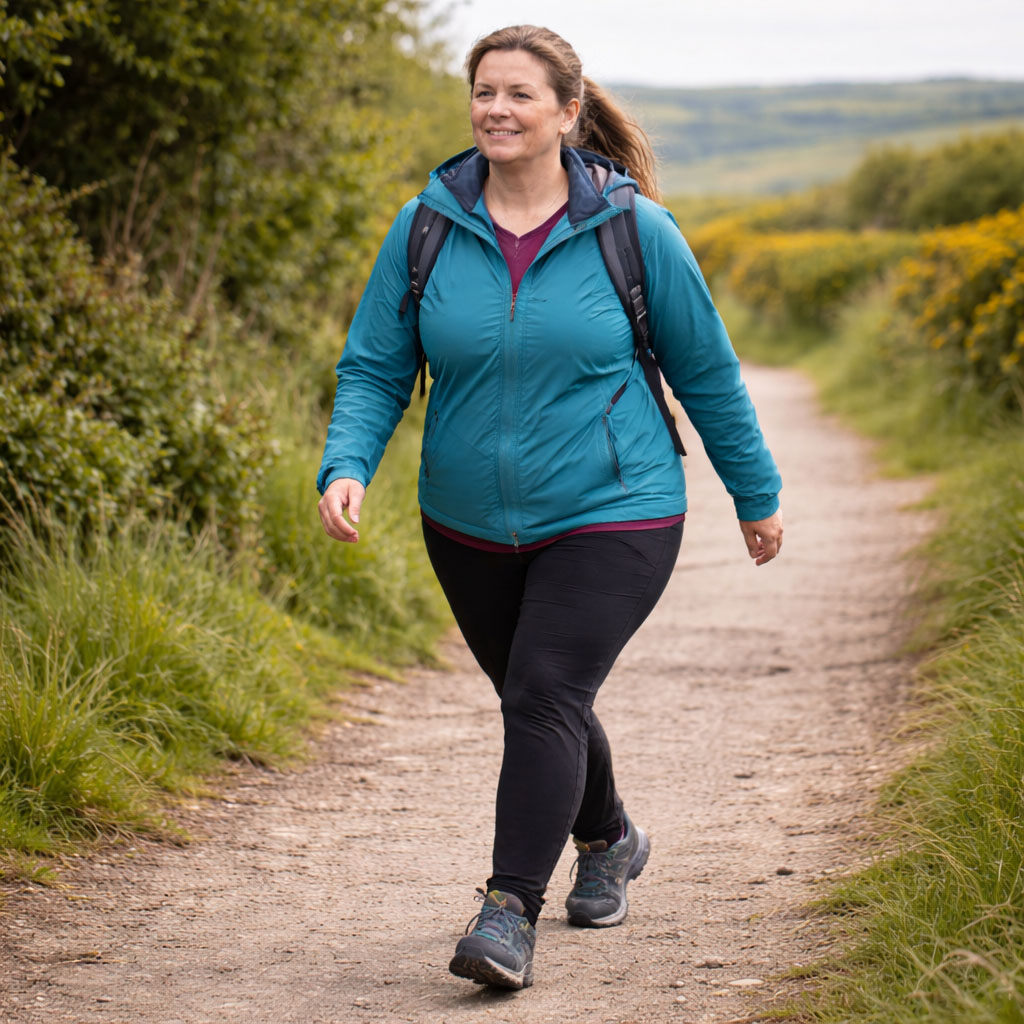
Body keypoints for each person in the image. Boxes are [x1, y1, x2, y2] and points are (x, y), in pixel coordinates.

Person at [317, 24, 783, 991]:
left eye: (519, 94)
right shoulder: (426, 226)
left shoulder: (633, 231)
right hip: (465, 519)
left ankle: (507, 912)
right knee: (542, 696)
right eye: (484, 91)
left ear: (568, 112)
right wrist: (347, 463)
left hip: (616, 507)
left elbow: (707, 372)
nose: (496, 109)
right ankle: (609, 838)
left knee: (542, 692)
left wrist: (756, 494)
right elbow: (374, 365)